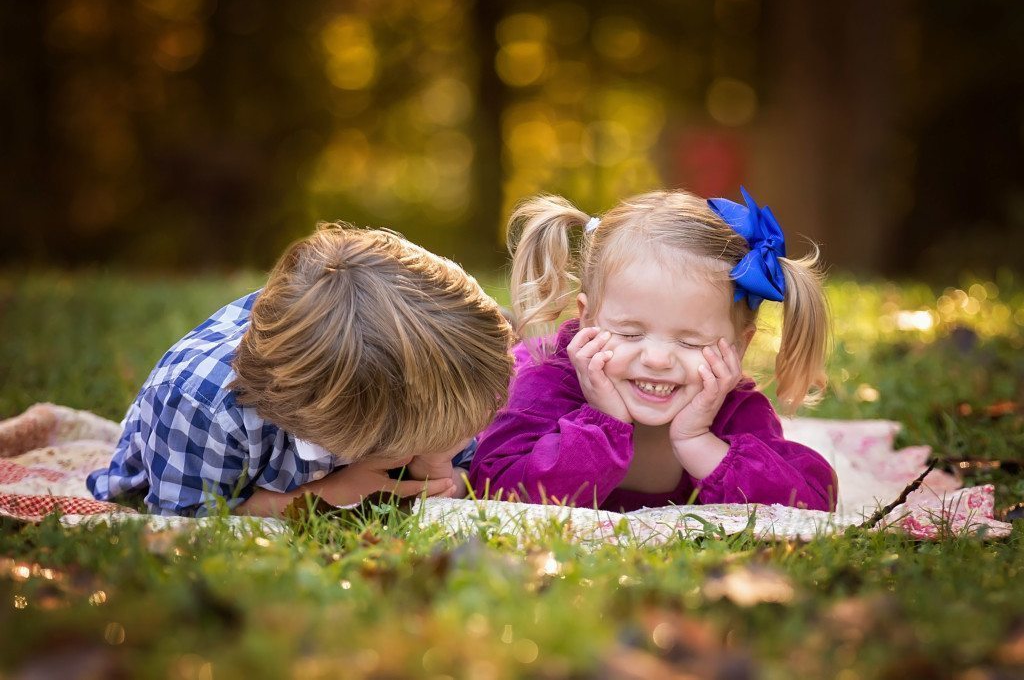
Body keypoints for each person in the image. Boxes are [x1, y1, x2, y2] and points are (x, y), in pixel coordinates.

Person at [88, 223, 513, 517]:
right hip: (204, 472)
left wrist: (441, 470)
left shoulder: (424, 380)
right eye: (434, 432)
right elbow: (188, 515)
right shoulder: (204, 406)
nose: (458, 436)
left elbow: (458, 461)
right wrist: (327, 496)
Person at [469, 188, 837, 512]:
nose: (657, 359)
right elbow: (495, 488)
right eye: (630, 334)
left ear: (739, 346)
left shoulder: (733, 408)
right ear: (587, 319)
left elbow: (813, 499)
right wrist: (603, 424)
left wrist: (698, 442)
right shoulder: (544, 378)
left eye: (691, 342)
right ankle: (502, 327)